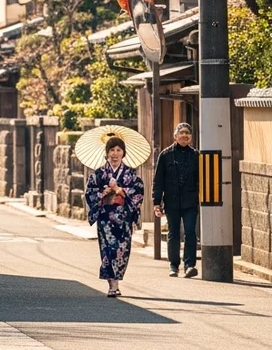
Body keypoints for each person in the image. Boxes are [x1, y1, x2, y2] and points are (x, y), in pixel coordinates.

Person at [85, 136, 145, 298]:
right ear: (107, 153)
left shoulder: (130, 174)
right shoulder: (99, 174)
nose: (115, 153)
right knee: (108, 250)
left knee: (122, 250)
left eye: (118, 150)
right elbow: (89, 192)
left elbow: (139, 191)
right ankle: (113, 285)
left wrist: (119, 190)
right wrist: (101, 193)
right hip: (105, 219)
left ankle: (116, 280)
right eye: (112, 150)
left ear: (123, 153)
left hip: (123, 218)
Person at [153, 122, 199, 278]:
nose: (185, 135)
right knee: (173, 233)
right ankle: (173, 265)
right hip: (171, 201)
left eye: (187, 133)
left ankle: (190, 265)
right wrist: (156, 202)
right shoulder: (165, 155)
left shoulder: (196, 155)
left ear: (191, 137)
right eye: (182, 133)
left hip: (190, 201)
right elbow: (158, 181)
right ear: (175, 136)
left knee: (190, 232)